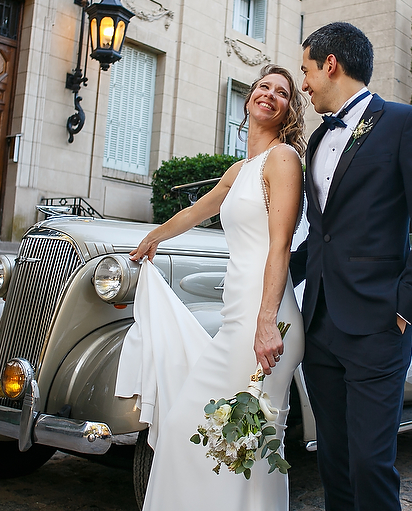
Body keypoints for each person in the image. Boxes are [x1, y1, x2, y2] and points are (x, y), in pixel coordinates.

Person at [119, 64, 307, 511]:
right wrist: (153, 237)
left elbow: (280, 246)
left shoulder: (283, 159)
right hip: (236, 321)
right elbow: (196, 211)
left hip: (268, 323)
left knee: (247, 446)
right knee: (223, 439)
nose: (269, 94)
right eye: (263, 86)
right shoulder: (241, 169)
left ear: (287, 112)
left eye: (281, 93)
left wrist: (265, 324)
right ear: (248, 98)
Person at [290, 22, 412, 511]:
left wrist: (405, 307)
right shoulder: (317, 140)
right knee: (333, 465)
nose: (304, 84)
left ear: (331, 65)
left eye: (306, 71)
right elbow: (321, 236)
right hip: (319, 325)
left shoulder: (406, 122)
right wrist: (272, 280)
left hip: (378, 326)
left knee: (371, 464)